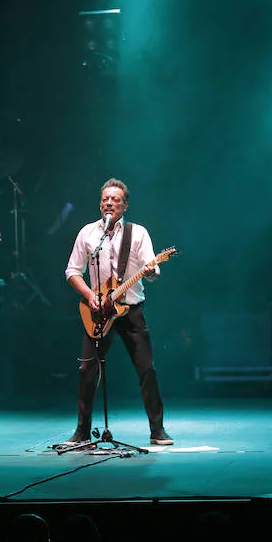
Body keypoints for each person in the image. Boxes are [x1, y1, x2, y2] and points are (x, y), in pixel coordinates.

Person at [64, 178, 173, 445]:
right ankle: (82, 431)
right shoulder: (89, 233)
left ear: (125, 206)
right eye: (105, 199)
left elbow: (153, 269)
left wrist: (151, 271)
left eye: (114, 200)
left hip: (131, 312)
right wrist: (90, 295)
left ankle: (157, 430)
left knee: (147, 369)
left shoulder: (138, 233)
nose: (108, 203)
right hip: (99, 312)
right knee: (86, 370)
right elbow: (72, 271)